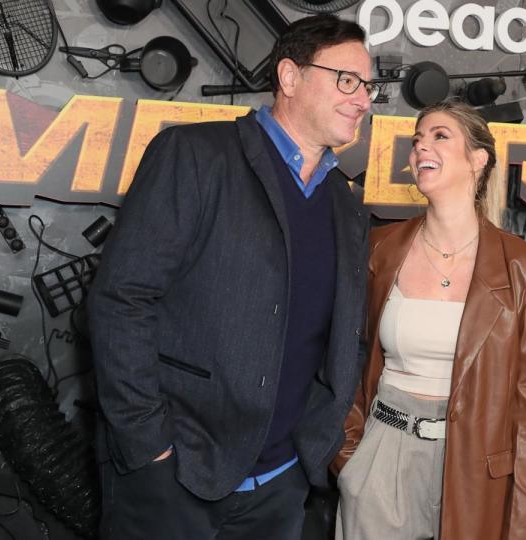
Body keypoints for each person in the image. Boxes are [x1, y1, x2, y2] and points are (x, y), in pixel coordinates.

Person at [87, 14, 375, 539]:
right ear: (289, 77)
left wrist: (312, 446)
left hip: (283, 484)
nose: (363, 99)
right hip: (175, 475)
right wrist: (150, 445)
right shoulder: (195, 155)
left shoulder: (345, 204)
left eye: (368, 86)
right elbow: (121, 300)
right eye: (347, 80)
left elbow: (342, 335)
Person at [331, 100, 526, 540]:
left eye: (439, 136)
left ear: (478, 160)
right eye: (417, 140)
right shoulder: (379, 248)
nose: (420, 149)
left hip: (477, 473)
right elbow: (345, 357)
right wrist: (350, 455)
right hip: (382, 458)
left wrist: (524, 526)